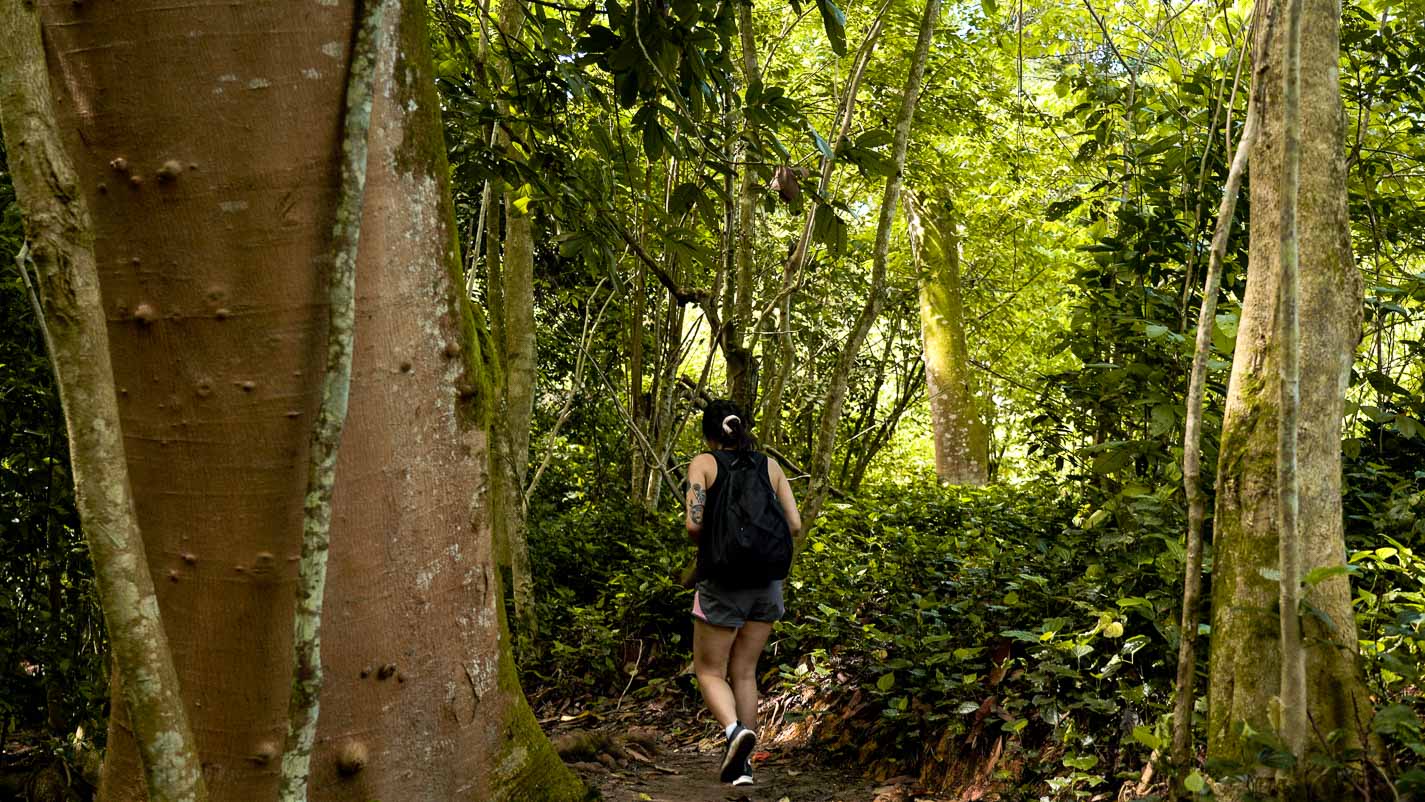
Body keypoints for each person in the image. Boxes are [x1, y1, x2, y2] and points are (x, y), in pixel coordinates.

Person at [684, 399, 802, 787]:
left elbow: (693, 525)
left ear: (709, 433)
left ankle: (734, 732)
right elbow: (795, 525)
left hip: (723, 581)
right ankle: (744, 769)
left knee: (708, 670)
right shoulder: (770, 465)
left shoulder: (704, 463)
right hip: (767, 583)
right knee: (745, 671)